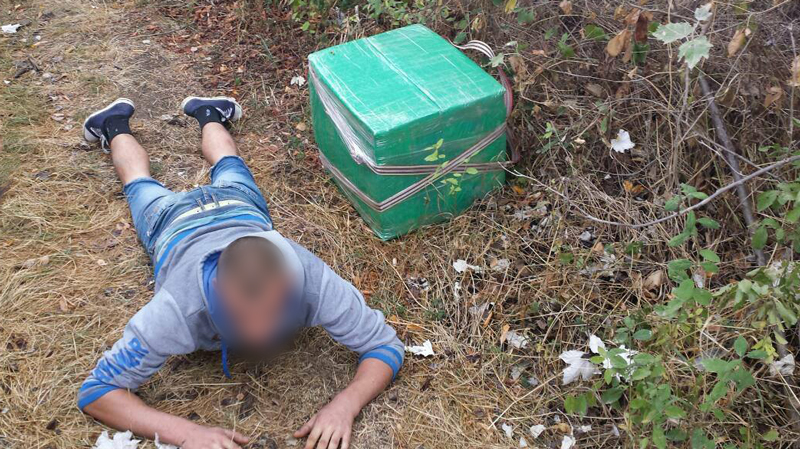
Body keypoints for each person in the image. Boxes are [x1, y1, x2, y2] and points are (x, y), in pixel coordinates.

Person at [78, 97, 404, 449]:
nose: (258, 334)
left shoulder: (313, 280)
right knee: (140, 183)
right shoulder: (177, 309)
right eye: (242, 315)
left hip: (239, 206)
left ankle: (204, 112)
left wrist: (345, 405)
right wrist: (186, 433)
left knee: (226, 163)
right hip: (173, 221)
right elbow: (97, 391)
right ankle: (117, 123)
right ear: (217, 287)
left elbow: (384, 344)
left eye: (271, 312)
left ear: (290, 283)